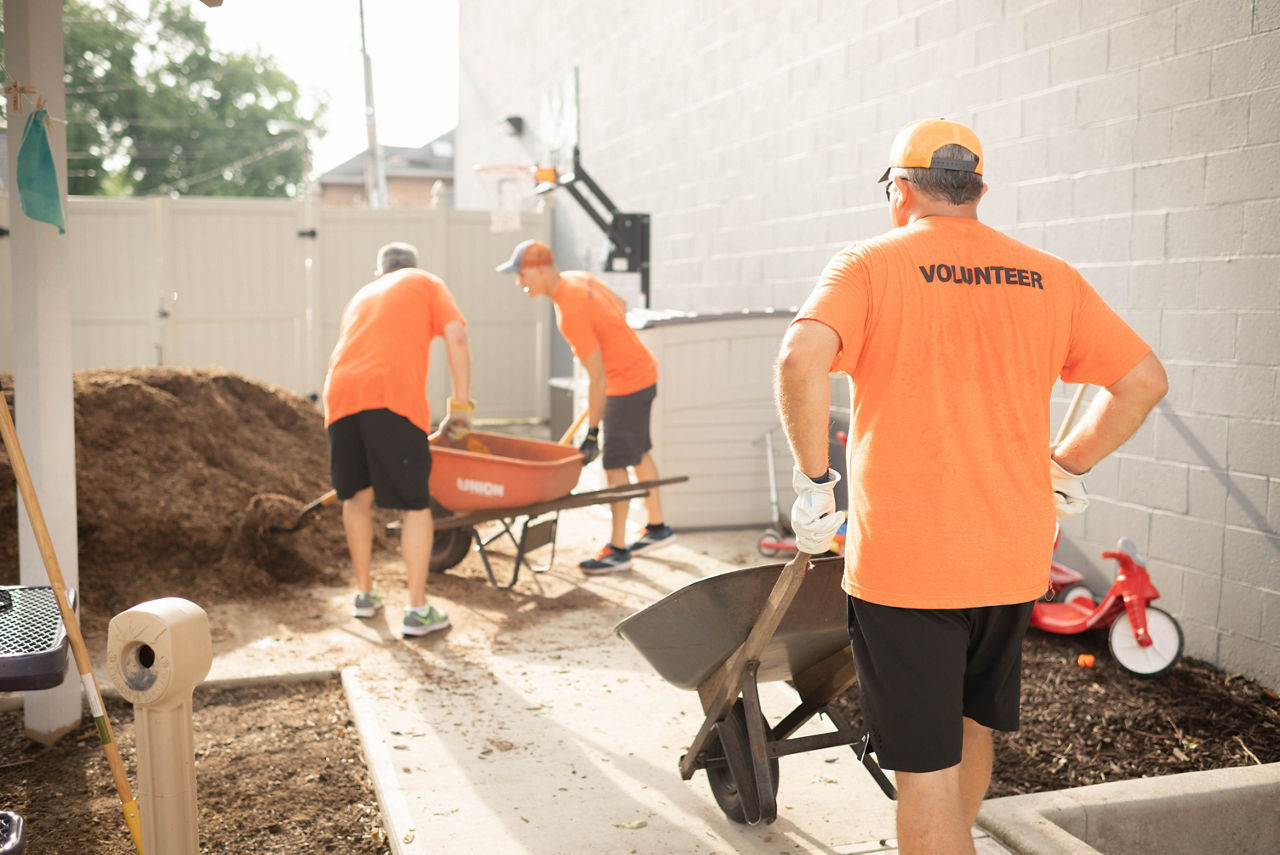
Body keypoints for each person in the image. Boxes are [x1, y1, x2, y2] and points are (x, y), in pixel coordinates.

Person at [774, 119, 1167, 854]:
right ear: (977, 189)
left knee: (922, 770)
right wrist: (1066, 465)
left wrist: (814, 481)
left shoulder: (866, 264)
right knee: (970, 725)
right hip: (1009, 558)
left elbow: (800, 358)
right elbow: (1143, 382)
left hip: (907, 567)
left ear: (899, 190)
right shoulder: (1050, 274)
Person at [496, 239, 675, 574]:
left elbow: (597, 378)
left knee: (615, 465)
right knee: (639, 451)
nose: (519, 282)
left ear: (541, 269)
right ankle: (657, 527)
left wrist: (592, 433)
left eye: (521, 274)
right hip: (642, 371)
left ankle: (618, 548)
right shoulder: (580, 278)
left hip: (625, 383)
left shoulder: (569, 311)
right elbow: (620, 305)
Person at [323, 242, 473, 637]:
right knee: (414, 505)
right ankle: (417, 610)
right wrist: (461, 408)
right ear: (413, 268)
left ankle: (364, 595)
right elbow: (456, 338)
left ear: (379, 274)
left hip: (339, 396)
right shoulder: (425, 282)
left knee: (356, 496)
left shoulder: (362, 295)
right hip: (390, 396)